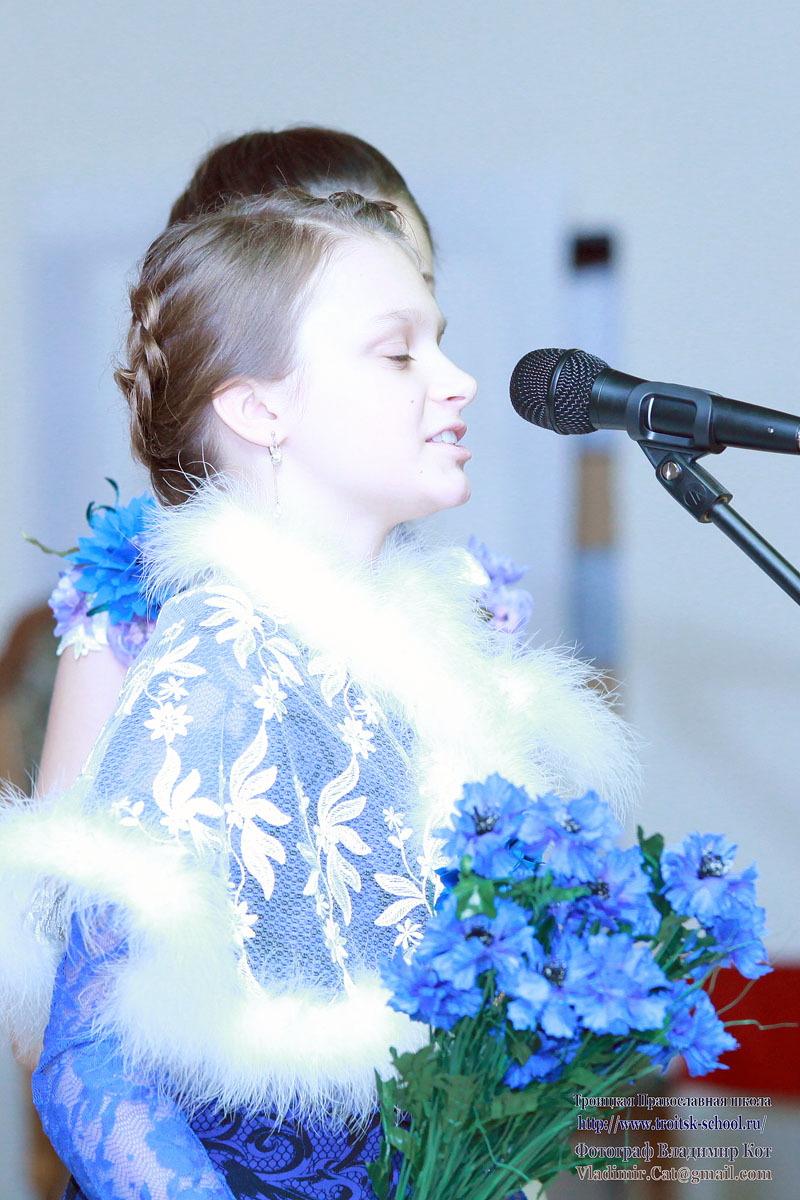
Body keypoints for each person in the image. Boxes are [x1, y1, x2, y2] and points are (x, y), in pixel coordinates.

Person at [1, 187, 637, 1198]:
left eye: (440, 343)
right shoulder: (220, 650)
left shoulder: (433, 669)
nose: (458, 381)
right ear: (260, 409)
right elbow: (91, 1066)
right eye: (398, 354)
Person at [37, 127, 437, 798]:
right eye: (395, 342)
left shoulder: (459, 599)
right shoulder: (133, 605)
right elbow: (71, 855)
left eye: (424, 293)